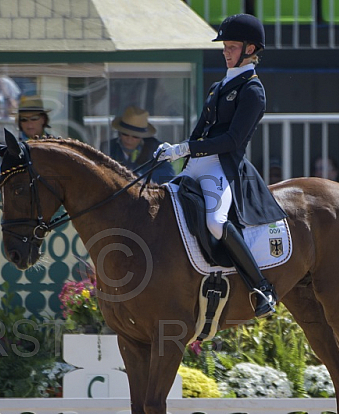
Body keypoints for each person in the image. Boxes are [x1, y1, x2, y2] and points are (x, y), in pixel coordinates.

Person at [154, 14, 286, 318]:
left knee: (215, 222)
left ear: (250, 49)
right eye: (224, 46)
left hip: (221, 168)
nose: (225, 51)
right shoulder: (217, 87)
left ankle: (261, 286)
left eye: (231, 46)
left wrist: (186, 148)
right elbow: (199, 131)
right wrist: (177, 150)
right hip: (195, 165)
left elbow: (232, 140)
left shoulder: (253, 91)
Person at [99, 106, 176, 184]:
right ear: (119, 133)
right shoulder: (108, 147)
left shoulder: (156, 149)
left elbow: (168, 175)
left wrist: (142, 177)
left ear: (143, 136)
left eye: (135, 136)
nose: (129, 139)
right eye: (125, 134)